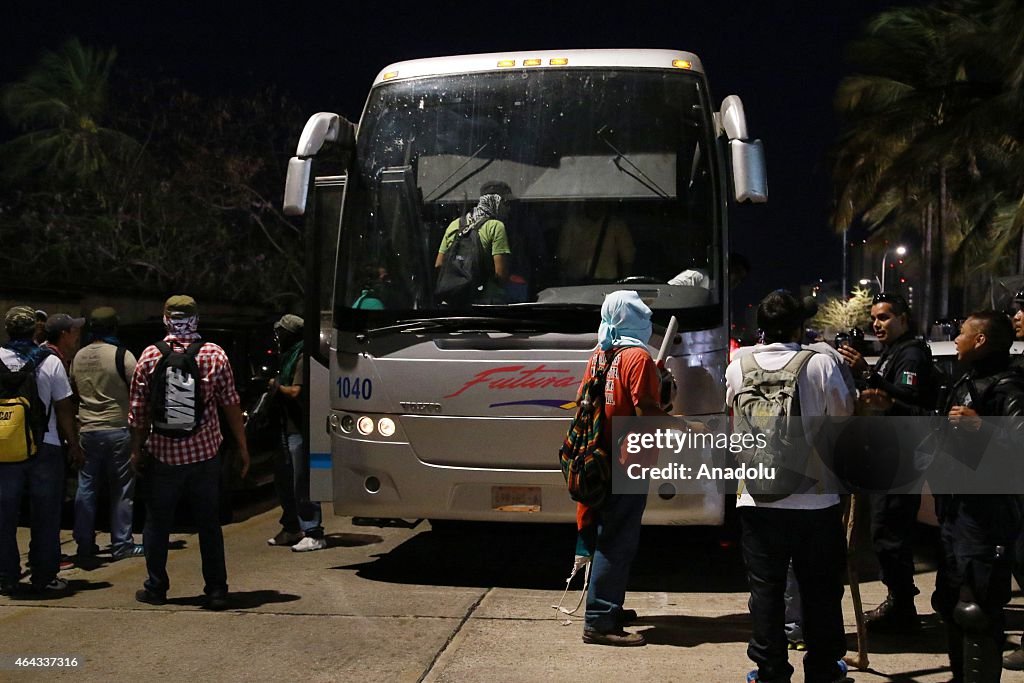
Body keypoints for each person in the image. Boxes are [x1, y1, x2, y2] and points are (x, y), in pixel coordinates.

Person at [866, 311, 1024, 682]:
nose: (955, 340)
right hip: (956, 512)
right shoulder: (968, 380)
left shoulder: (1009, 388)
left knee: (977, 608)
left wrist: (981, 427)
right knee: (952, 603)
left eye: (963, 334)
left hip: (985, 517)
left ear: (981, 340)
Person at [726, 290, 853, 683]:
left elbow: (732, 418)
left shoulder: (737, 364)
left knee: (765, 592)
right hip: (816, 500)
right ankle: (823, 670)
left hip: (757, 497)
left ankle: (769, 671)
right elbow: (843, 417)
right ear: (799, 326)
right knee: (820, 591)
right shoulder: (820, 364)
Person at [128, 295, 250, 610]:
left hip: (163, 455)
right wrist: (242, 446)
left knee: (157, 523)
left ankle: (156, 588)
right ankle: (216, 590)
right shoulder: (214, 355)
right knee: (209, 523)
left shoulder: (150, 356)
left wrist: (136, 450)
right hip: (205, 455)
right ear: (196, 319)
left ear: (166, 318)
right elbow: (231, 404)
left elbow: (138, 412)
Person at [837, 292, 935, 632]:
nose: (876, 324)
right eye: (874, 318)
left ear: (903, 320)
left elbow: (912, 405)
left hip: (901, 458)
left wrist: (870, 375)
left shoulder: (911, 354)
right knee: (884, 534)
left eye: (884, 317)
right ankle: (899, 601)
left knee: (890, 534)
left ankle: (902, 607)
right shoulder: (894, 353)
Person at [579, 290, 666, 647]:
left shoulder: (600, 353)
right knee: (618, 540)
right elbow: (645, 411)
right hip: (628, 461)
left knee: (605, 534)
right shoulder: (638, 357)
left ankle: (609, 606)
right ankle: (600, 619)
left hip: (597, 458)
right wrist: (685, 425)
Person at [0, 306, 81, 595]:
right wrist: (73, 445)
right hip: (45, 448)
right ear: (35, 330)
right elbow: (64, 410)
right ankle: (44, 576)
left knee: (4, 517)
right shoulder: (50, 362)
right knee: (46, 517)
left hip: (5, 449)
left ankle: (6, 576)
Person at [70, 307, 144, 561]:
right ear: (114, 327)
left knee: (86, 487)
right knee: (122, 489)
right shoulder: (122, 356)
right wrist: (138, 437)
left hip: (88, 429)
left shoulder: (78, 357)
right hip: (117, 428)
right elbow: (138, 395)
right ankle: (122, 543)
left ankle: (84, 544)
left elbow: (74, 392)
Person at [265, 314, 326, 552]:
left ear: (291, 333)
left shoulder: (302, 357)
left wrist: (276, 387)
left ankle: (313, 531)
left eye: (281, 332)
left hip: (299, 427)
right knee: (284, 480)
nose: (277, 336)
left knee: (302, 481)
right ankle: (292, 527)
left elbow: (295, 392)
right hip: (285, 426)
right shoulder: (288, 356)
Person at [434, 185, 512, 305]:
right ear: (496, 202)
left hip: (452, 302)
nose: (509, 208)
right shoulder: (496, 227)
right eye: (506, 203)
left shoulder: (455, 224)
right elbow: (500, 275)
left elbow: (439, 264)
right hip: (484, 304)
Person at [558, 203, 635, 285]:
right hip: (576, 281)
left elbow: (628, 259)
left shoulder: (616, 225)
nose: (596, 205)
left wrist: (623, 287)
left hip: (606, 282)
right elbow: (562, 258)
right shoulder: (572, 223)